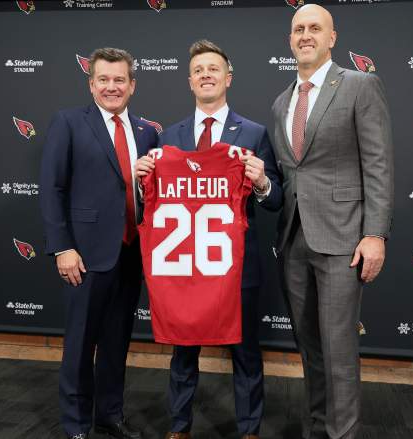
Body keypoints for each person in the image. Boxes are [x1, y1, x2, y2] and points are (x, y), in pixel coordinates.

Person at [135, 39, 282, 439]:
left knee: (245, 353)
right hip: (185, 267)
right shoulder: (168, 137)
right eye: (198, 70)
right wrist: (142, 178)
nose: (206, 75)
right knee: (183, 352)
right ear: (189, 81)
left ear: (228, 78)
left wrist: (262, 181)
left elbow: (276, 201)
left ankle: (249, 430)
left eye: (213, 69)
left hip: (235, 269)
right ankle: (179, 426)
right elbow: (154, 205)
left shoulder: (253, 134)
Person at [270, 4, 394, 439]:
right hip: (293, 240)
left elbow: (378, 164)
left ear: (332, 38)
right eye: (298, 29)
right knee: (310, 350)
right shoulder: (282, 102)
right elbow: (291, 173)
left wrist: (374, 233)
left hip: (343, 240)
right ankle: (317, 429)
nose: (305, 35)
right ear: (290, 40)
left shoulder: (359, 85)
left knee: (338, 350)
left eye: (314, 28)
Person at [40, 47, 158, 439]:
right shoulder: (69, 123)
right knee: (80, 344)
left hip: (131, 253)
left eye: (119, 79)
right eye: (103, 79)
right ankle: (76, 424)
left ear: (132, 85)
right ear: (91, 85)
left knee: (116, 342)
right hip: (85, 255)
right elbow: (52, 189)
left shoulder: (147, 131)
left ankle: (110, 414)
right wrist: (62, 247)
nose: (112, 87)